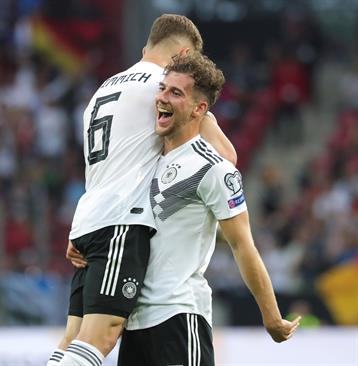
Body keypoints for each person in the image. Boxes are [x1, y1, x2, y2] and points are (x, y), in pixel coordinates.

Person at [47, 14, 237, 366]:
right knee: (99, 339)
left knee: (71, 340)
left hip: (88, 221)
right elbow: (225, 158)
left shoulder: (103, 89)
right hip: (121, 223)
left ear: (145, 48)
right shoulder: (165, 89)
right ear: (182, 54)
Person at [115, 52, 301, 366]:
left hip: (178, 316)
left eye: (176, 93)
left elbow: (243, 245)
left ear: (199, 108)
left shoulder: (212, 168)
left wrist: (272, 317)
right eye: (162, 89)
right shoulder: (145, 161)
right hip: (135, 323)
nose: (161, 98)